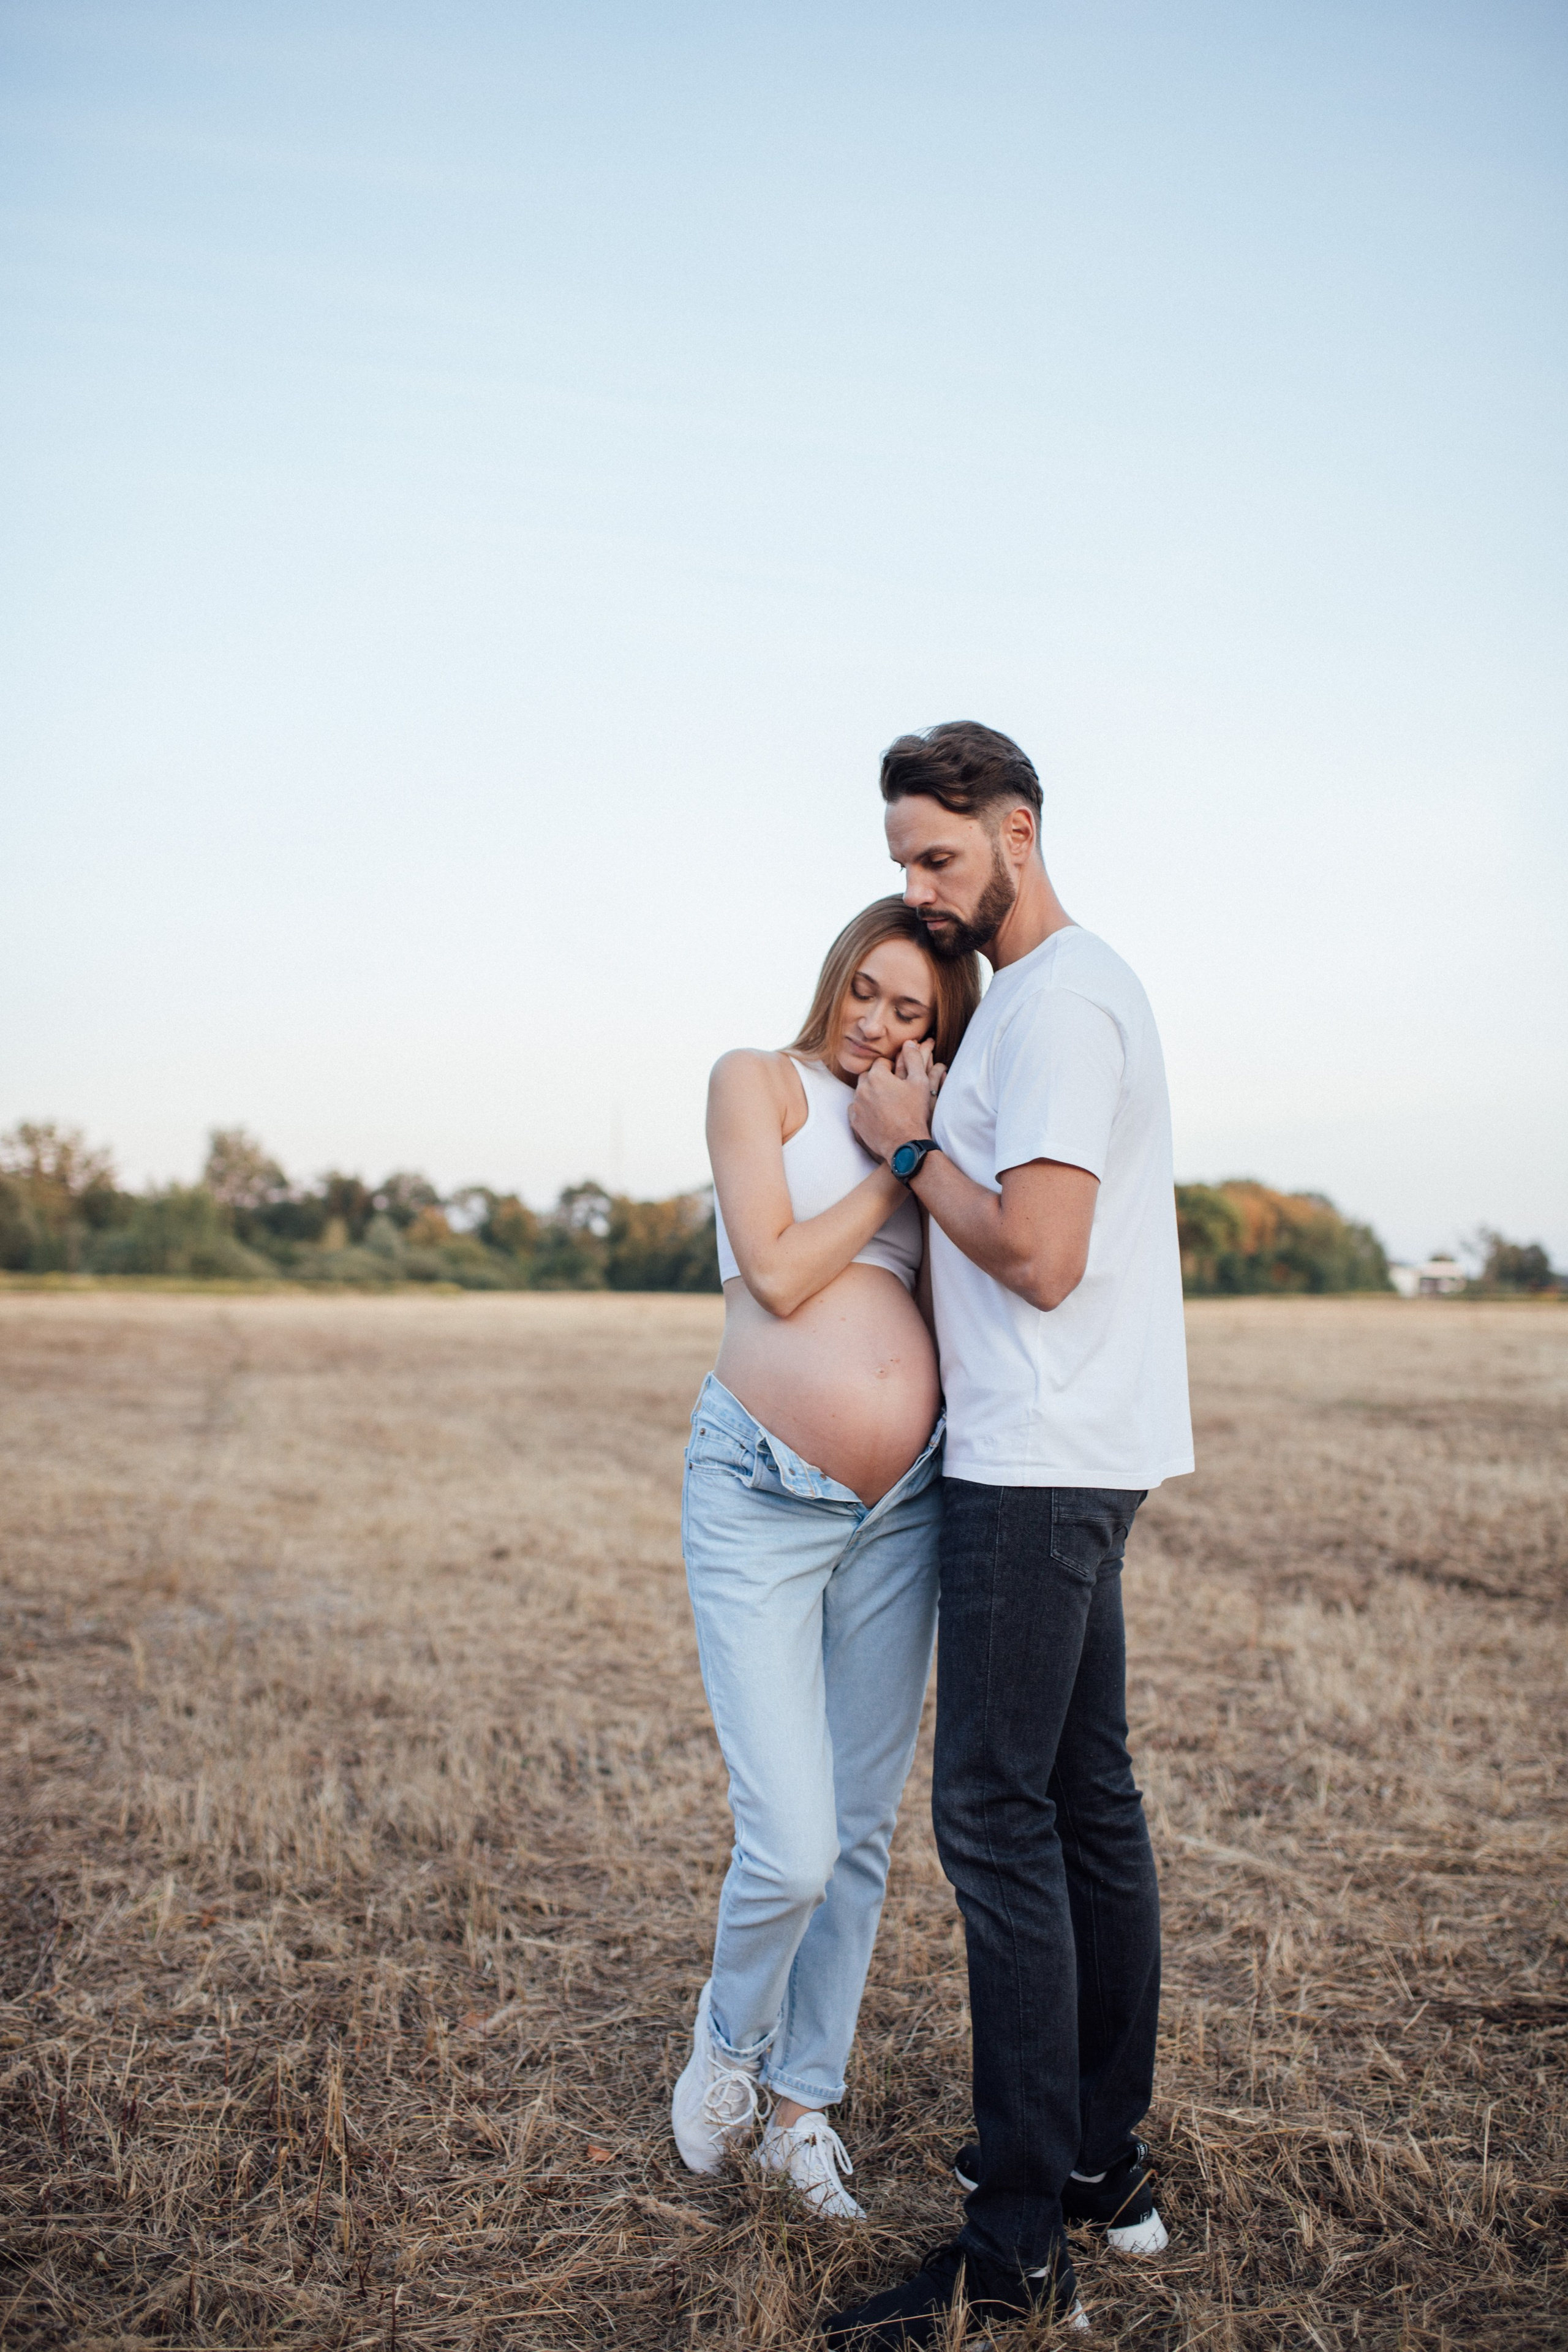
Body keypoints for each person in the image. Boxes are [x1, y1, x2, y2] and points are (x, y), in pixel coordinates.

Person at [826, 723, 1193, 2345]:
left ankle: (1016, 2239)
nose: (919, 888)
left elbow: (1040, 1256)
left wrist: (901, 1152)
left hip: (1035, 1459)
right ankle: (1098, 2166)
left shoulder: (1059, 1006)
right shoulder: (1055, 997)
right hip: (1073, 1444)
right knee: (1082, 1801)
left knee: (995, 1817)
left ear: (1017, 832)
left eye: (939, 858)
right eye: (907, 859)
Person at [672, 896, 981, 2221]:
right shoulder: (762, 1084)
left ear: (940, 1033)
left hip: (901, 1509)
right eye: (865, 991)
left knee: (856, 1835)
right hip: (756, 1489)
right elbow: (780, 1277)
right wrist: (891, 1163)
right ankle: (728, 2045)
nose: (875, 1024)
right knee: (788, 1843)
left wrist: (924, 1144)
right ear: (833, 979)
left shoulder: (928, 1128)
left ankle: (806, 2105)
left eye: (910, 1012)